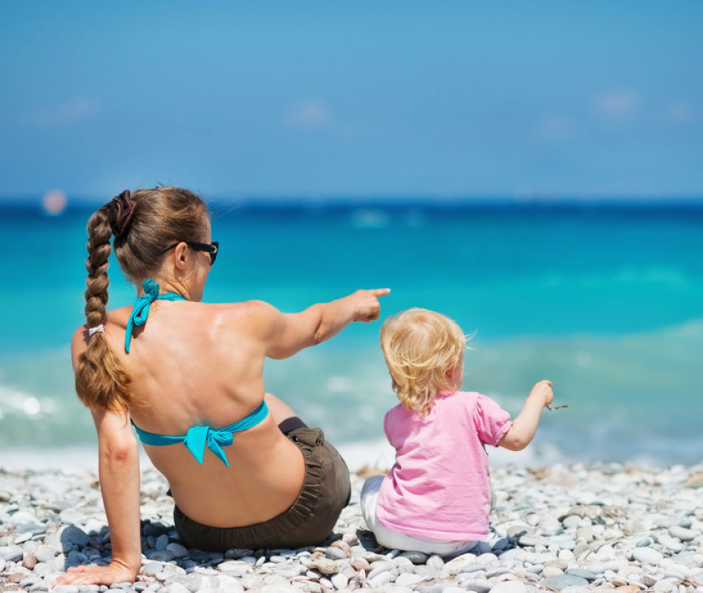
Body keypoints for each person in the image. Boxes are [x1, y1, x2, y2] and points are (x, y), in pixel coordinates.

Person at [55, 188, 389, 587]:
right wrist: (354, 305)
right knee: (263, 401)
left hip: (206, 533)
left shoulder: (95, 338)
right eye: (209, 250)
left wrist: (125, 562)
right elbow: (315, 325)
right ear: (182, 256)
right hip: (310, 511)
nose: (210, 262)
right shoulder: (246, 318)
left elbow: (118, 448)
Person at [359, 308, 554, 555]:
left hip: (394, 533)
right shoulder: (474, 406)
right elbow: (517, 439)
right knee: (480, 488)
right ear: (451, 369)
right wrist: (536, 400)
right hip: (460, 540)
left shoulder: (393, 417)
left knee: (373, 484)